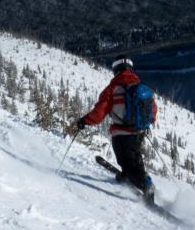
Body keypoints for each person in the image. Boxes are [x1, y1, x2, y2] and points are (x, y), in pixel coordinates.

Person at [66, 54, 157, 203]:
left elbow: (99, 113)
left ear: (116, 69)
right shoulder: (142, 87)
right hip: (139, 131)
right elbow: (153, 110)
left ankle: (145, 184)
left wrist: (84, 121)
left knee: (127, 162)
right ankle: (136, 176)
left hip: (121, 133)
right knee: (135, 157)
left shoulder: (112, 89)